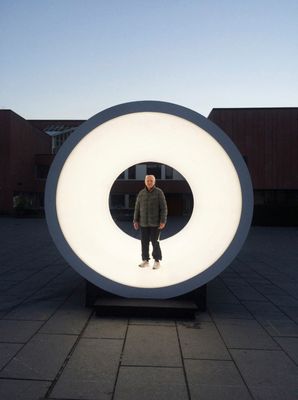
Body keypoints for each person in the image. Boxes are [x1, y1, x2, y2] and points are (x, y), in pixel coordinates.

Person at [133, 175, 168, 269]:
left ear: (154, 182)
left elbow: (164, 208)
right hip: (143, 223)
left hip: (156, 224)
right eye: (148, 180)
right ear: (145, 181)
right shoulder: (141, 193)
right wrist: (135, 220)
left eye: (151, 181)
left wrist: (163, 221)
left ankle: (157, 261)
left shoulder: (159, 192)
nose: (149, 182)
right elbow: (137, 208)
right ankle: (145, 260)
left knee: (154, 242)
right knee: (144, 242)